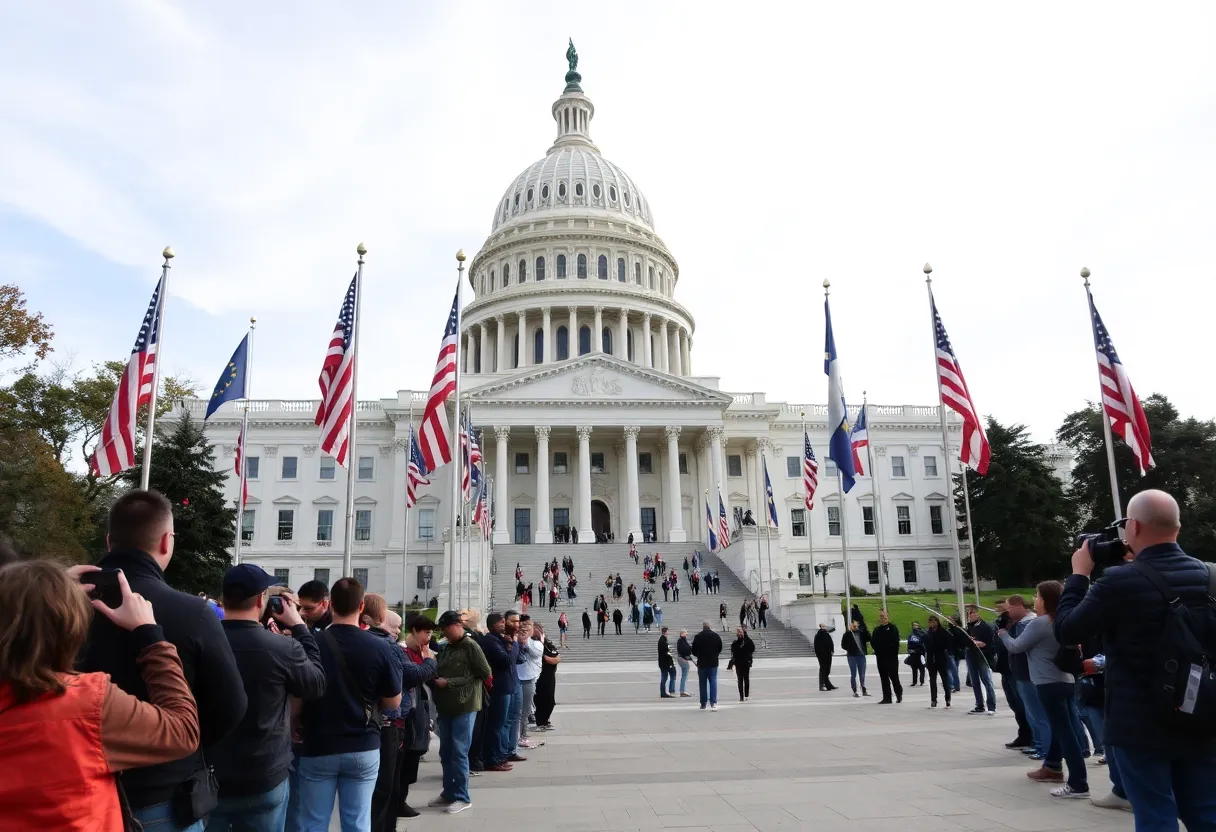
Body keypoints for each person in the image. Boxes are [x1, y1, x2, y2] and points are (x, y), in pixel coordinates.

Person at [79, 490, 246, 831]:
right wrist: (183, 747)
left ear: (110, 542)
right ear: (167, 542)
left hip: (76, 787)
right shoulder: (194, 613)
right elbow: (231, 704)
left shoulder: (56, 608)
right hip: (161, 793)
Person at [0, 561, 199, 831]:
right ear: (69, 627)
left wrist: (45, 590)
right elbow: (182, 731)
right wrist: (150, 636)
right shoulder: (87, 704)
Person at [1056, 489, 1216, 821]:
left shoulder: (1118, 582)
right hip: (1201, 713)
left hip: (1139, 720)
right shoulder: (1211, 577)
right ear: (1178, 526)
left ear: (1133, 527)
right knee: (1205, 812)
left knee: (1155, 816)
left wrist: (1079, 574)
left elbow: (1068, 630)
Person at [209, 564, 327, 832]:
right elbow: (316, 684)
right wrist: (299, 626)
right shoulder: (284, 648)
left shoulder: (200, 641)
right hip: (263, 773)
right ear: (262, 600)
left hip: (212, 773)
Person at [296, 578, 403, 831]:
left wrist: (293, 722)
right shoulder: (380, 646)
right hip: (362, 743)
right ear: (362, 606)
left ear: (330, 605)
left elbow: (298, 696)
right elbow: (393, 701)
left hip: (319, 743)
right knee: (357, 821)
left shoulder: (311, 644)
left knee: (314, 821)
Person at [999, 582, 1087, 799]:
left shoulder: (1041, 623)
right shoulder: (1065, 620)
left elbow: (1016, 646)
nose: (1035, 601)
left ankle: (1078, 783)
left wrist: (1003, 635)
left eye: (1037, 596)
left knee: (1065, 732)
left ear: (1046, 600)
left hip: (1048, 682)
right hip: (1065, 680)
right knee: (1061, 727)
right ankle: (1053, 766)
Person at [362, 595, 435, 832]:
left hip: (392, 720)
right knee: (383, 786)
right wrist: (430, 662)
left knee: (389, 784)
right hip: (386, 722)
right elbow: (409, 676)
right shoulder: (388, 647)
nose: (397, 633)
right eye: (394, 627)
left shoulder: (382, 644)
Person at [431, 610, 491, 815]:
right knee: (445, 751)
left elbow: (484, 673)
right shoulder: (447, 647)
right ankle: (448, 792)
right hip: (446, 705)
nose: (444, 634)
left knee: (458, 751)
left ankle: (462, 796)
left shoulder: (470, 646)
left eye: (446, 629)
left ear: (456, 626)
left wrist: (450, 682)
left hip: (464, 705)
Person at [394, 613, 438, 824]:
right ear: (413, 631)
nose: (429, 637)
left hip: (419, 711)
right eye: (426, 632)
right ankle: (397, 802)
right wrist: (429, 662)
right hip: (405, 713)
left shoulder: (421, 652)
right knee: (404, 759)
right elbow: (417, 675)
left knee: (413, 759)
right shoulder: (403, 652)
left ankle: (402, 799)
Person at [993, 601, 1032, 749]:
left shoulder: (1020, 625)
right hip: (1006, 668)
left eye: (1008, 607)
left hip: (1016, 670)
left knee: (1022, 704)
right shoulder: (1004, 624)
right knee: (1014, 704)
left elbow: (1016, 645)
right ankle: (1024, 734)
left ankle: (1031, 736)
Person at [964, 605, 998, 715]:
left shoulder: (985, 626)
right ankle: (979, 705)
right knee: (974, 681)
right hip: (971, 655)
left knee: (986, 680)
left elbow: (991, 643)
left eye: (972, 613)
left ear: (978, 614)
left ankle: (991, 706)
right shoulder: (969, 627)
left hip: (982, 656)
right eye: (968, 613)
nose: (970, 615)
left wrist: (982, 644)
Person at [516, 617, 544, 750]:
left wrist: (526, 642)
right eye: (522, 628)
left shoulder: (536, 644)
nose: (524, 630)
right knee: (515, 711)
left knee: (525, 710)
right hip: (514, 679)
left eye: (528, 628)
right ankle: (515, 737)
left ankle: (523, 735)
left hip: (528, 679)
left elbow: (535, 654)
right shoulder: (513, 642)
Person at [532, 623, 561, 731]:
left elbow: (557, 655)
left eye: (541, 629)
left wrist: (555, 659)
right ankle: (541, 722)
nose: (541, 631)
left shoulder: (546, 643)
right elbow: (548, 659)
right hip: (541, 675)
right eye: (538, 629)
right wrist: (554, 660)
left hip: (550, 674)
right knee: (542, 699)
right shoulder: (534, 643)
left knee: (550, 700)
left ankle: (545, 720)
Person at [871, 610, 903, 704]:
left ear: (888, 617)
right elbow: (873, 642)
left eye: (884, 616)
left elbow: (895, 642)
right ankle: (887, 697)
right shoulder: (876, 630)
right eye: (881, 616)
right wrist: (877, 649)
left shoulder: (893, 628)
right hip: (880, 657)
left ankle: (898, 693)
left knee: (893, 677)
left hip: (891, 657)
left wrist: (889, 649)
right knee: (883, 677)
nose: (882, 618)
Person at [691, 621, 723, 710]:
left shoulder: (698, 637)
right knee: (713, 681)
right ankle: (713, 702)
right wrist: (715, 655)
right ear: (710, 627)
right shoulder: (716, 636)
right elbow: (720, 648)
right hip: (713, 662)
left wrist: (699, 655)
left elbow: (693, 650)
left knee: (702, 683)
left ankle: (703, 703)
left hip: (702, 662)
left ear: (703, 627)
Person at [922, 616, 953, 708]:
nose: (931, 624)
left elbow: (948, 643)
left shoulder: (943, 633)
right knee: (932, 680)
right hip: (931, 659)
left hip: (941, 658)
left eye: (933, 622)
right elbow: (926, 645)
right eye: (930, 622)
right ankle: (933, 699)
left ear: (937, 622)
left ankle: (948, 698)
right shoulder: (927, 633)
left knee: (945, 679)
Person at [841, 621, 870, 698]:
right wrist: (850, 649)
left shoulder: (861, 633)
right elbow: (843, 645)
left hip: (861, 656)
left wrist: (866, 630)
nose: (855, 627)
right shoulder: (847, 635)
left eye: (856, 626)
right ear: (850, 627)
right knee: (853, 674)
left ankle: (863, 688)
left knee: (862, 674)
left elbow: (869, 638)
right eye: (854, 626)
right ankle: (855, 690)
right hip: (852, 656)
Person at [727, 627, 755, 702]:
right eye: (738, 632)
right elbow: (734, 651)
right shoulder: (735, 643)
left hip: (746, 662)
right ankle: (741, 696)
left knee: (746, 679)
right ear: (737, 633)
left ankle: (746, 695)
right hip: (738, 663)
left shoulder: (747, 641)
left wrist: (745, 636)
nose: (740, 633)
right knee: (740, 679)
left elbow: (752, 648)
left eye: (741, 632)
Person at [814, 624, 837, 691]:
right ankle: (823, 685)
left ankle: (827, 684)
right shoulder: (821, 635)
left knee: (826, 670)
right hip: (824, 655)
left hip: (826, 654)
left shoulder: (824, 634)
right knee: (824, 670)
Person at [657, 626, 676, 698]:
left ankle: (666, 691)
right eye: (667, 631)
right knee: (664, 677)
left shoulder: (663, 640)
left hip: (665, 662)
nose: (668, 632)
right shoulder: (662, 640)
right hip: (665, 662)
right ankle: (663, 692)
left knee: (665, 676)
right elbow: (665, 652)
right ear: (665, 632)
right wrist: (670, 652)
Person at [905, 621, 926, 687]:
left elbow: (922, 644)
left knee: (921, 668)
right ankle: (914, 681)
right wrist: (909, 650)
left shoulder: (922, 634)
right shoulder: (911, 635)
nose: (915, 626)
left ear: (918, 626)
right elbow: (909, 643)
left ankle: (922, 681)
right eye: (913, 625)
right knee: (914, 668)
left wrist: (922, 652)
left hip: (919, 654)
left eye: (916, 625)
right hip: (913, 654)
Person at [675, 629, 693, 697]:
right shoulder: (681, 640)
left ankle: (683, 690)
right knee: (684, 675)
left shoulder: (682, 640)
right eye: (685, 633)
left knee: (684, 675)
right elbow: (685, 650)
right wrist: (689, 650)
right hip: (682, 658)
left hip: (682, 658)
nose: (686, 635)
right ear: (682, 634)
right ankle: (682, 691)